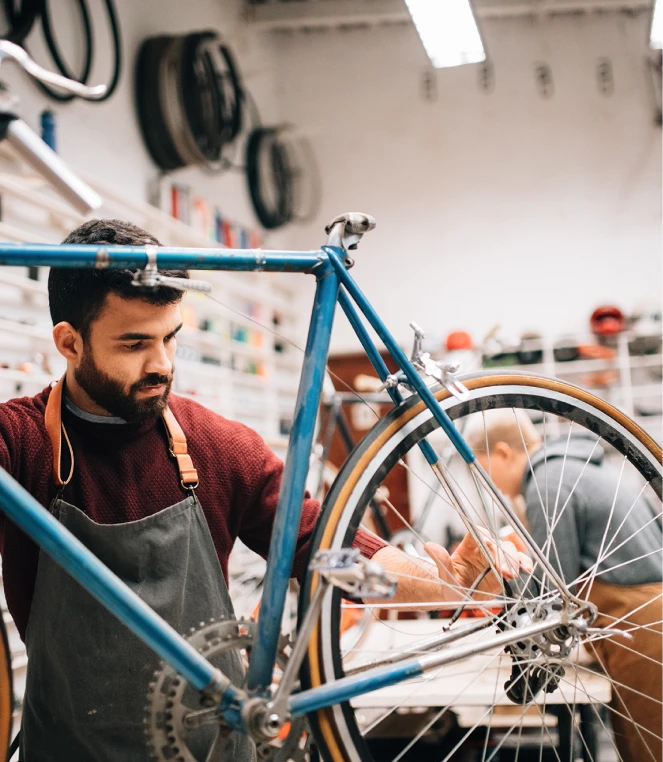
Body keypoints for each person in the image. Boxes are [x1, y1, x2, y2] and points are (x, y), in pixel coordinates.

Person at [0, 219, 530, 762]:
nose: (161, 364)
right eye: (135, 343)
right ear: (69, 342)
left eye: (170, 337)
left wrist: (449, 583)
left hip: (211, 750)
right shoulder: (18, 445)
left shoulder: (212, 444)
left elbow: (322, 545)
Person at [468, 409, 663, 761]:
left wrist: (501, 584)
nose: (489, 484)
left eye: (484, 470)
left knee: (648, 750)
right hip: (645, 623)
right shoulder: (580, 469)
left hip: (643, 631)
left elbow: (554, 588)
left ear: (502, 452)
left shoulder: (546, 482)